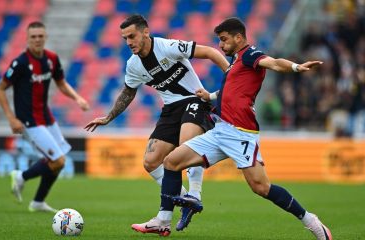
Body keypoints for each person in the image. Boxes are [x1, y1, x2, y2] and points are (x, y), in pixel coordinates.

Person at [131, 17, 333, 240]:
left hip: (241, 134)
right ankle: (163, 220)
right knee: (171, 162)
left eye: (224, 40)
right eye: (219, 40)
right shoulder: (236, 63)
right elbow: (232, 92)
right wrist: (210, 96)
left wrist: (296, 67)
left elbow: (274, 63)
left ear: (239, 38)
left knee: (261, 187)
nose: (221, 45)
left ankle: (311, 220)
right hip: (221, 130)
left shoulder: (250, 55)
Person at [84, 14, 229, 231]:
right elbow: (128, 92)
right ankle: (183, 203)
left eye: (132, 36)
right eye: (124, 38)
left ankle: (194, 194)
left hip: (194, 100)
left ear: (145, 32)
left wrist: (231, 74)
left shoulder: (167, 47)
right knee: (151, 162)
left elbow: (209, 52)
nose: (129, 42)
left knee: (185, 148)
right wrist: (109, 117)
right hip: (171, 109)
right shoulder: (133, 65)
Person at [0, 21, 90, 212]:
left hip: (46, 116)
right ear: (27, 39)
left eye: (40, 36)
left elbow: (61, 83)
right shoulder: (20, 63)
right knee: (59, 161)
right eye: (33, 37)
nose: (37, 39)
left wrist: (77, 98)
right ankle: (21, 176)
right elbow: (0, 88)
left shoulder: (51, 59)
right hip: (28, 120)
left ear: (45, 37)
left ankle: (38, 202)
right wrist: (11, 118)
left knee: (58, 163)